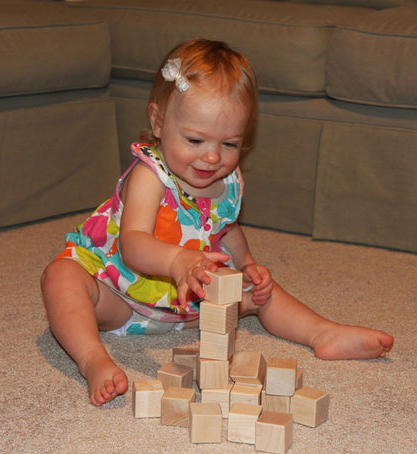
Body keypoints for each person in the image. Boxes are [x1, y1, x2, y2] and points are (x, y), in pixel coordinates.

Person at [40, 39, 394, 407]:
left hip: (188, 302)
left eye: (229, 143)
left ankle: (323, 332)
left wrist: (248, 265)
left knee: (260, 293)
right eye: (195, 139)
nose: (211, 156)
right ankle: (92, 358)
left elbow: (226, 230)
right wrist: (178, 261)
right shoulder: (150, 176)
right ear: (158, 122)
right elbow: (133, 243)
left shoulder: (230, 181)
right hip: (117, 295)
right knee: (61, 277)